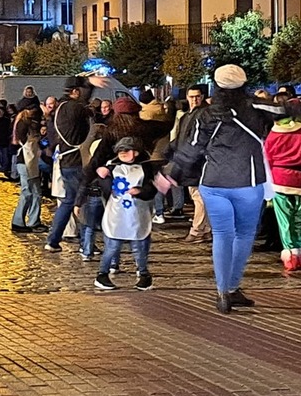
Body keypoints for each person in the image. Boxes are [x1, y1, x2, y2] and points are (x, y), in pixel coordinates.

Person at [162, 65, 292, 314]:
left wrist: (168, 176)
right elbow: (284, 111)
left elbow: (190, 149)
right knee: (244, 235)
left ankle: (223, 292)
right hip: (247, 180)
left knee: (222, 235)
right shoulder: (256, 107)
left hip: (213, 182)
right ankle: (232, 287)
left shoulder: (206, 114)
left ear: (216, 85)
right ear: (244, 83)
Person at [90, 137, 157, 291]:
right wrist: (103, 176)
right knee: (112, 245)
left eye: (127, 150)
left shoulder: (146, 168)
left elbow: (151, 189)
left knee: (139, 246)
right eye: (120, 151)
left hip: (137, 214)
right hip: (117, 213)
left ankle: (144, 274)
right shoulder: (112, 167)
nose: (123, 153)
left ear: (136, 152)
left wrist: (140, 191)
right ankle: (102, 274)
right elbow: (102, 187)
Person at [43, 76, 94, 253]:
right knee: (83, 201)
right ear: (75, 91)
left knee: (68, 202)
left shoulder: (60, 108)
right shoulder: (75, 108)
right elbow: (90, 110)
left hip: (66, 160)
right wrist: (92, 84)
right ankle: (87, 245)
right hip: (76, 160)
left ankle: (53, 239)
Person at [264, 103, 301, 271]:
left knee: (285, 220)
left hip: (280, 181)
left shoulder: (273, 135)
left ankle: (290, 256)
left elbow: (267, 160)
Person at [169, 86, 211, 243]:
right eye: (192, 96)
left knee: (199, 196)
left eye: (198, 96)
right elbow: (182, 137)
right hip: (187, 159)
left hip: (196, 161)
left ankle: (197, 230)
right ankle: (205, 229)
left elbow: (197, 140)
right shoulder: (187, 115)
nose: (195, 99)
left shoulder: (202, 114)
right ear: (187, 97)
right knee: (197, 196)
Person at [11, 108, 45, 233]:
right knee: (28, 192)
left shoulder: (25, 124)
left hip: (29, 162)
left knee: (35, 192)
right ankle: (18, 221)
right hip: (26, 162)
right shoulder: (25, 125)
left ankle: (33, 221)